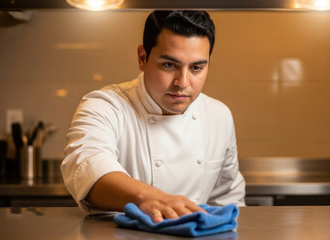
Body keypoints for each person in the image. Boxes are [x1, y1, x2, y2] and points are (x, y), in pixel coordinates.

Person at [61, 10, 246, 222]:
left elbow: (228, 199)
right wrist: (150, 198)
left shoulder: (218, 115)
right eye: (169, 65)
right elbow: (87, 169)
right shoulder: (105, 106)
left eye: (196, 68)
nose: (183, 82)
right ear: (143, 58)